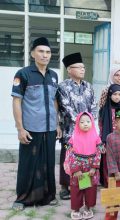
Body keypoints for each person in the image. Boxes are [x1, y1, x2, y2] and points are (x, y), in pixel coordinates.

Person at [11, 37, 61, 210]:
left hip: (49, 128)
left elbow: (55, 101)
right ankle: (22, 198)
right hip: (31, 128)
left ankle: (47, 195)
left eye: (48, 52)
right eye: (41, 51)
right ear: (33, 53)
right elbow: (16, 101)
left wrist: (57, 124)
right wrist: (20, 128)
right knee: (28, 163)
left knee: (48, 162)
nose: (45, 55)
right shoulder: (23, 74)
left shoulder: (53, 75)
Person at [58, 52, 98, 200]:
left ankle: (83, 184)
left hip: (88, 131)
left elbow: (94, 105)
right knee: (68, 156)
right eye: (78, 67)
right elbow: (66, 107)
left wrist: (90, 122)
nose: (83, 69)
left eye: (83, 67)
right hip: (70, 131)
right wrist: (82, 122)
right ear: (69, 70)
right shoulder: (63, 86)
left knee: (85, 158)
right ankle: (65, 186)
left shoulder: (88, 86)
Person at [63, 112, 102, 220]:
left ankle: (88, 208)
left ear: (92, 123)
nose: (85, 124)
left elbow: (99, 152)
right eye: (82, 122)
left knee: (90, 188)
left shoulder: (96, 137)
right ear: (77, 123)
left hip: (91, 169)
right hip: (78, 168)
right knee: (76, 188)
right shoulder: (73, 137)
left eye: (88, 121)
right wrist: (75, 170)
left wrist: (94, 167)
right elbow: (70, 153)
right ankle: (76, 209)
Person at [98, 84, 120, 187]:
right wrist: (103, 141)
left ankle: (116, 181)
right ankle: (106, 181)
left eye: (119, 94)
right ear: (109, 95)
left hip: (118, 139)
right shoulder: (104, 109)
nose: (117, 97)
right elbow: (100, 125)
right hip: (106, 139)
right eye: (115, 94)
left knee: (116, 161)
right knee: (107, 161)